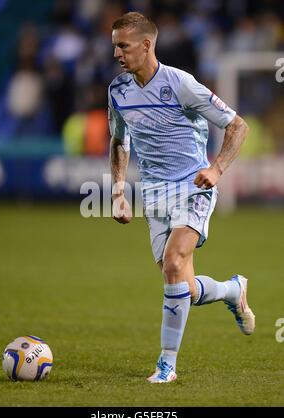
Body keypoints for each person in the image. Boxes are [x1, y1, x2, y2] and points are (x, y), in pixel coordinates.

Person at [108, 12, 255, 384]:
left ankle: (166, 365)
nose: (116, 54)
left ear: (146, 44)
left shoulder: (181, 84)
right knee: (183, 289)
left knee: (174, 263)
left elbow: (238, 126)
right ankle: (232, 290)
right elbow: (118, 141)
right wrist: (118, 191)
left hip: (194, 187)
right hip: (155, 195)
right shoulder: (118, 92)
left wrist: (217, 169)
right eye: (114, 46)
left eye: (123, 46)